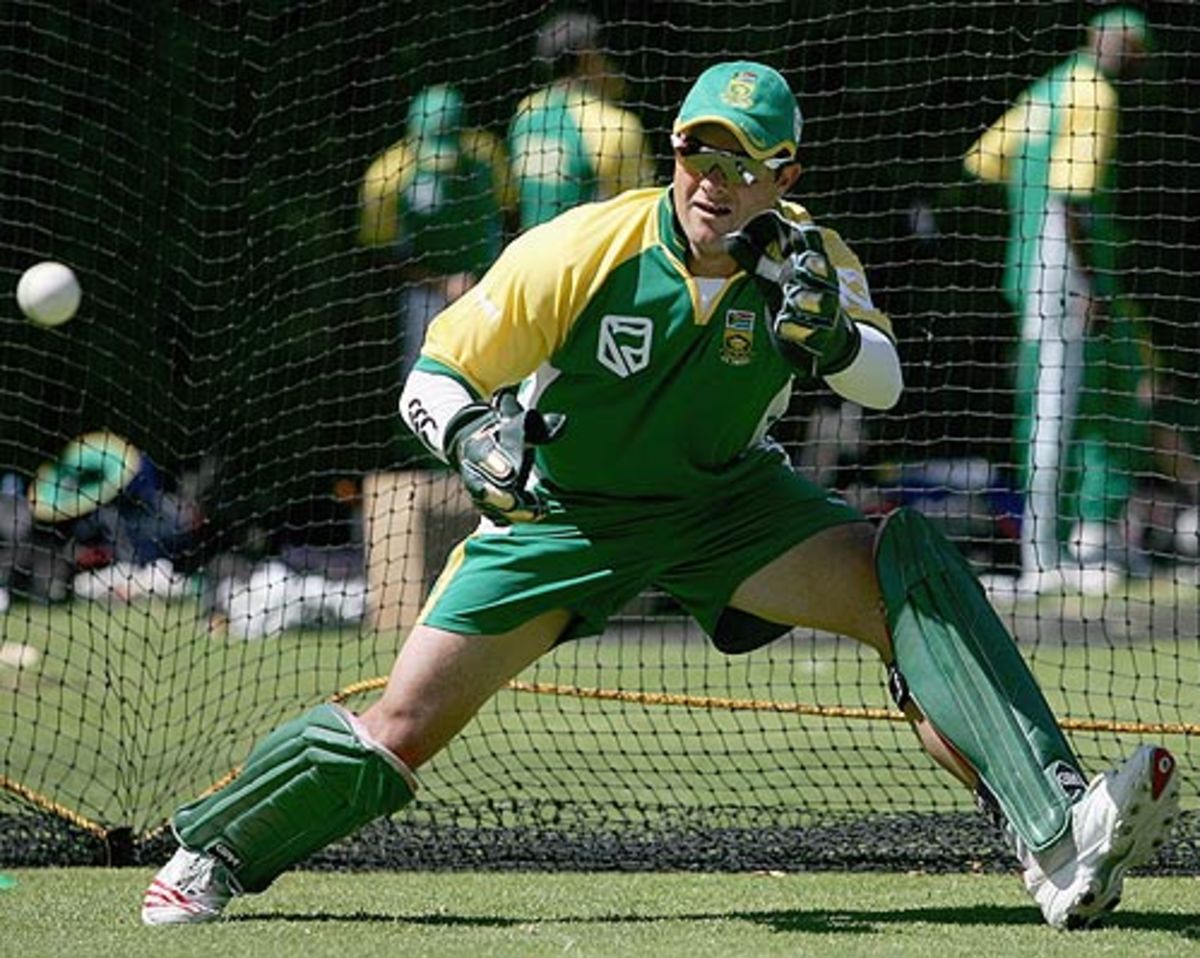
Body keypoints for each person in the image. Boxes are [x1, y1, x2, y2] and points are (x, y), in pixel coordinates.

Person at [142, 61, 1178, 931]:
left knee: (907, 572)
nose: (713, 183)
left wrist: (825, 337)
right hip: (563, 515)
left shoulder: (810, 259)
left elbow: (886, 379)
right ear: (672, 152)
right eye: (697, 154)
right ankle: (213, 849)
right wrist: (469, 434)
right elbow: (435, 373)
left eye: (742, 164)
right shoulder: (584, 246)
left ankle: (1059, 835)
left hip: (731, 505)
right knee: (401, 727)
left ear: (785, 175)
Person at [963, 6, 1153, 596]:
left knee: (1049, 406)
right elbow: (1073, 199)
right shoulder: (1094, 93)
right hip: (1064, 271)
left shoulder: (1046, 89)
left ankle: (1053, 548)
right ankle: (1042, 558)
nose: (1130, 58)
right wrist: (1091, 285)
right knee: (1059, 410)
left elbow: (984, 160)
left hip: (1025, 267)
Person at [359, 84, 515, 630]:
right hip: (425, 296)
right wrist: (438, 281)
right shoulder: (387, 174)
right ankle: (434, 468)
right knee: (423, 386)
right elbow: (380, 257)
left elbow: (508, 213)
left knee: (503, 385)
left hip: (491, 286)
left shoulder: (488, 153)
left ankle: (502, 463)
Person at [507, 11, 653, 230]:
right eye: (606, 52)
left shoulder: (526, 112)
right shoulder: (616, 125)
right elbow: (641, 216)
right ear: (588, 57)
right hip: (590, 261)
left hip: (530, 253)